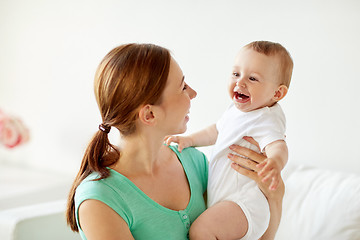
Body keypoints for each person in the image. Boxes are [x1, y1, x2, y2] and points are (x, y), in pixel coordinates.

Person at [65, 43, 285, 240]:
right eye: (182, 87)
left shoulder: (193, 161)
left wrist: (274, 197)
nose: (193, 93)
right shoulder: (100, 200)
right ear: (149, 115)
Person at [165, 41, 293, 239]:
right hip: (227, 201)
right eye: (236, 74)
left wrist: (274, 163)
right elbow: (216, 131)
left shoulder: (266, 118)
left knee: (202, 231)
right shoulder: (236, 111)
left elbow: (278, 145)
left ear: (277, 93)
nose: (240, 83)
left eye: (252, 78)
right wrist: (189, 139)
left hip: (245, 203)